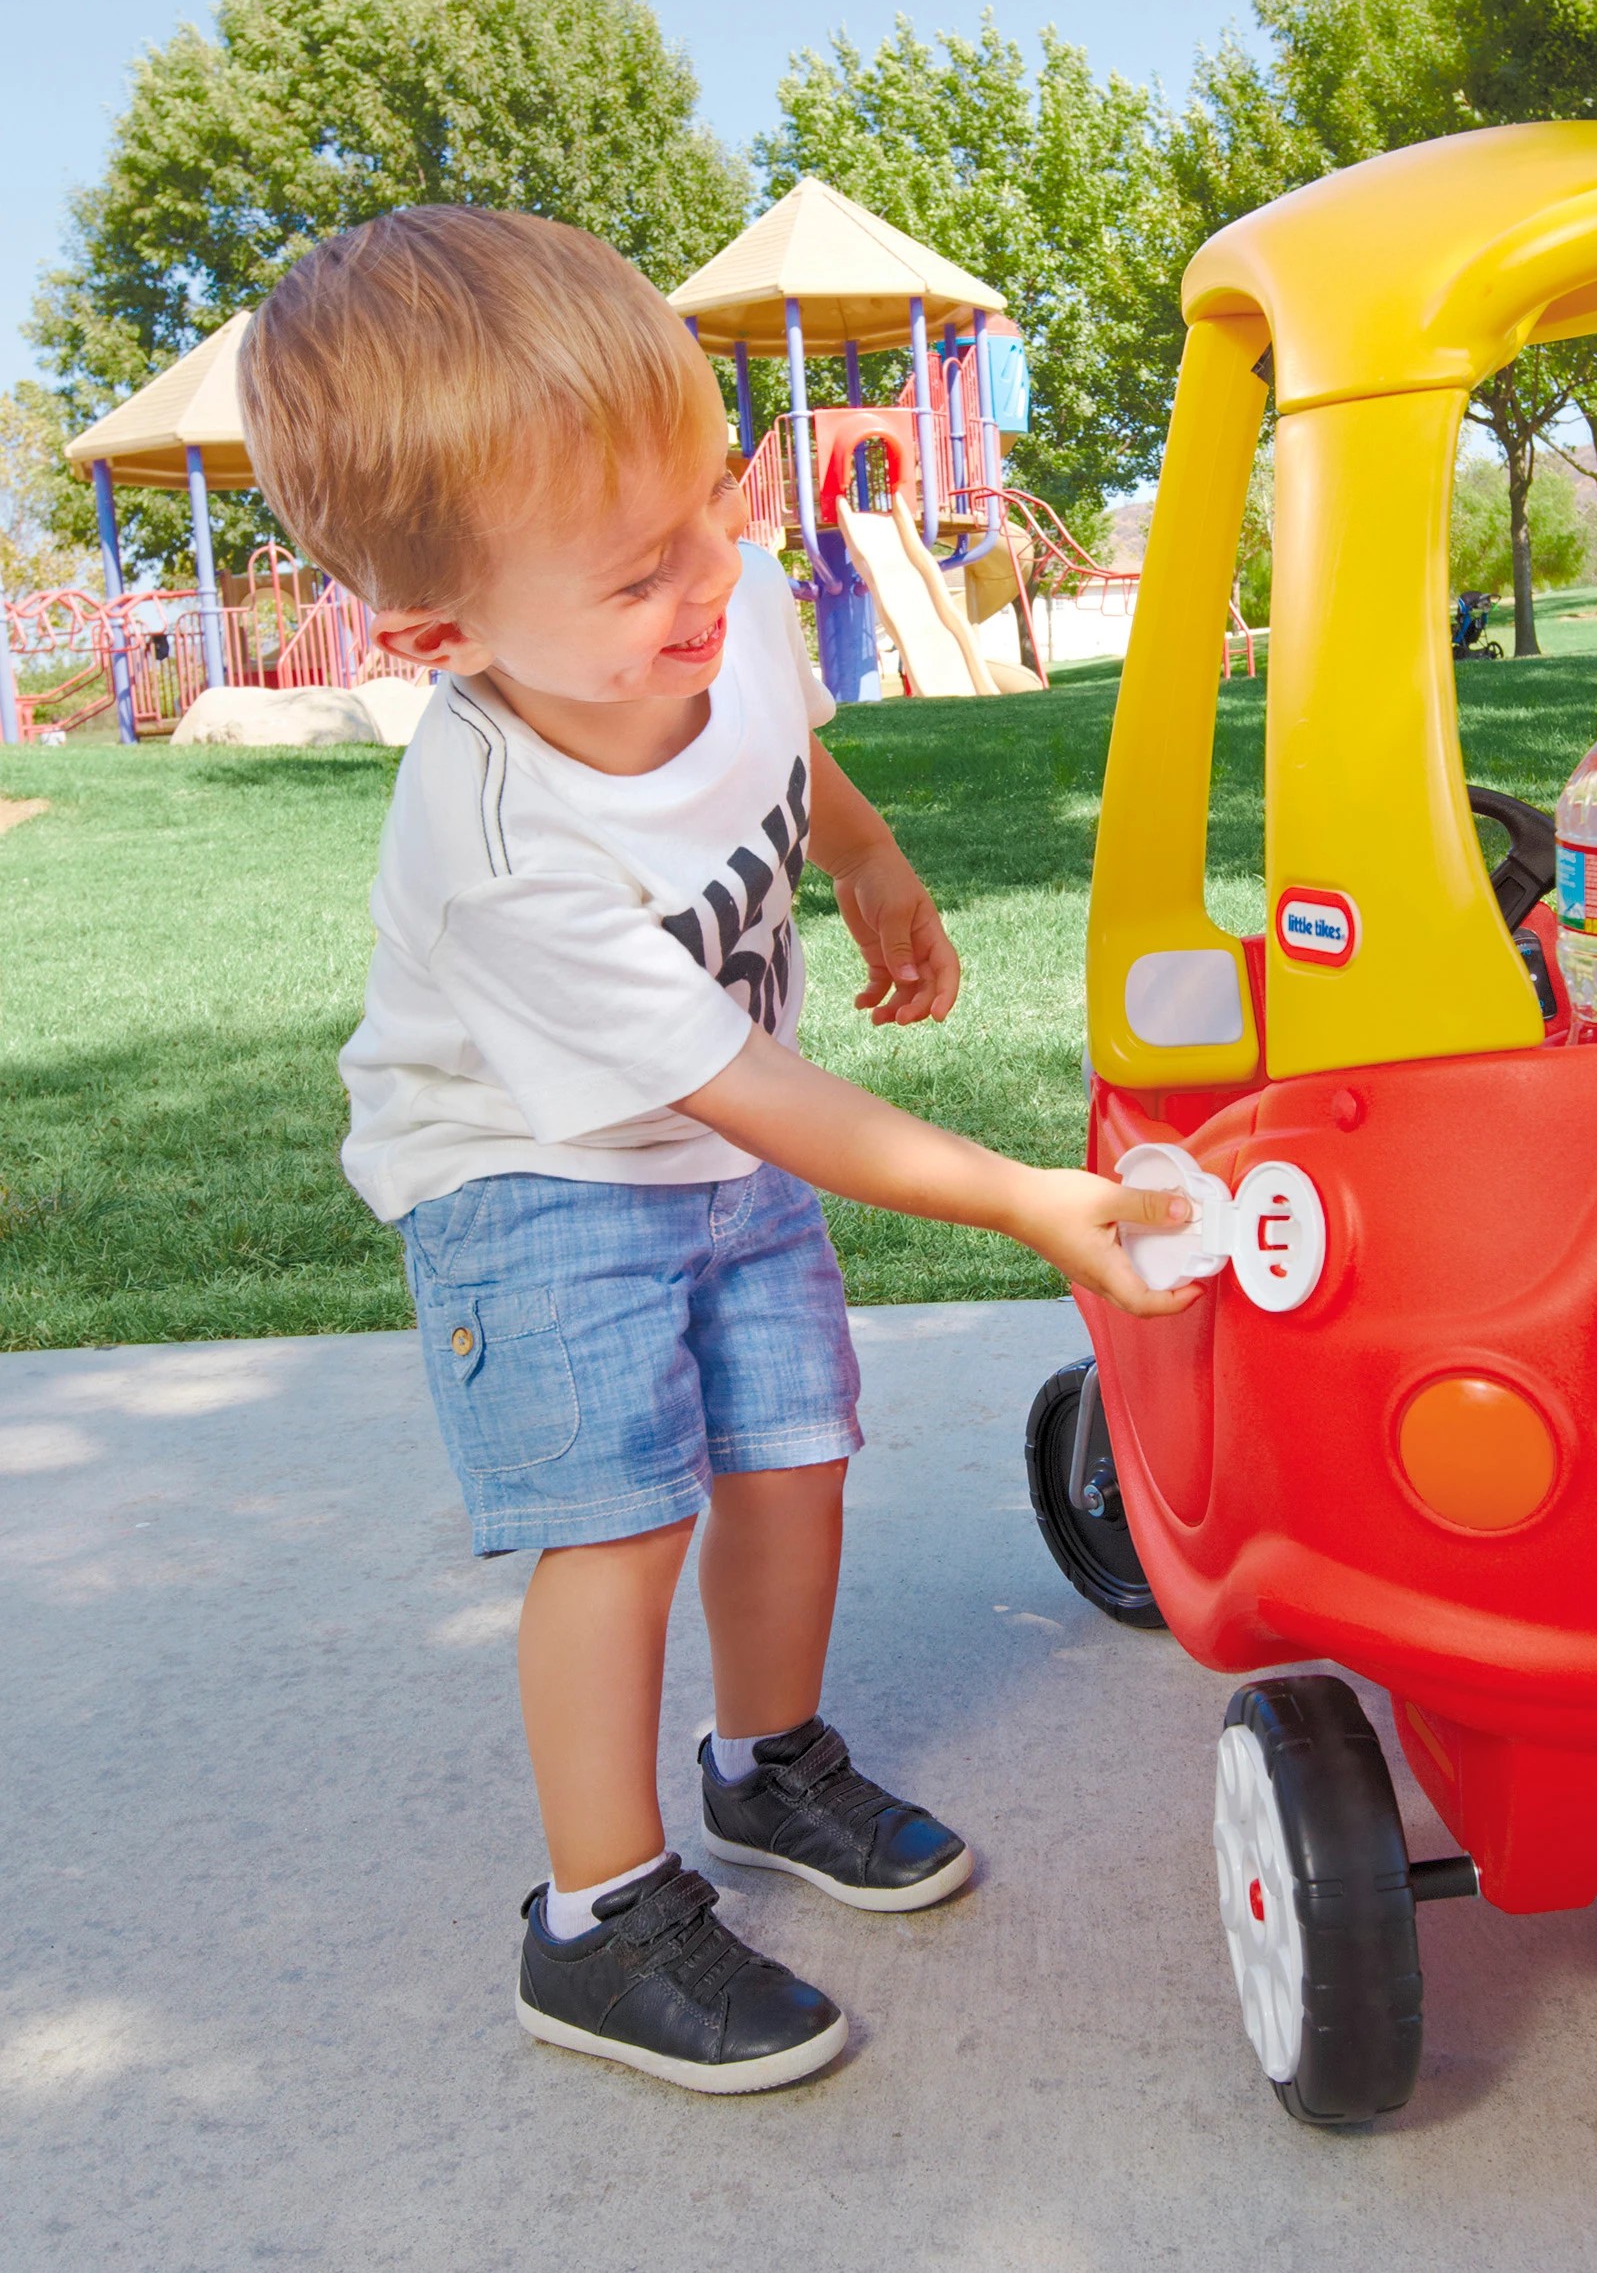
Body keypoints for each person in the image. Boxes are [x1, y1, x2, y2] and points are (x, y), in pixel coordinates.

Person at [237, 207, 1194, 2097]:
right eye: (634, 571)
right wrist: (1020, 1198)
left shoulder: (714, 598)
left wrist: (862, 850)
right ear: (440, 637)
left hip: (703, 1131)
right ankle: (597, 1920)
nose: (709, 577)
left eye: (709, 505)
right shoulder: (497, 841)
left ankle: (768, 1764)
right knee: (624, 1518)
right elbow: (763, 1104)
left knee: (791, 1453)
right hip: (533, 1175)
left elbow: (777, 738)